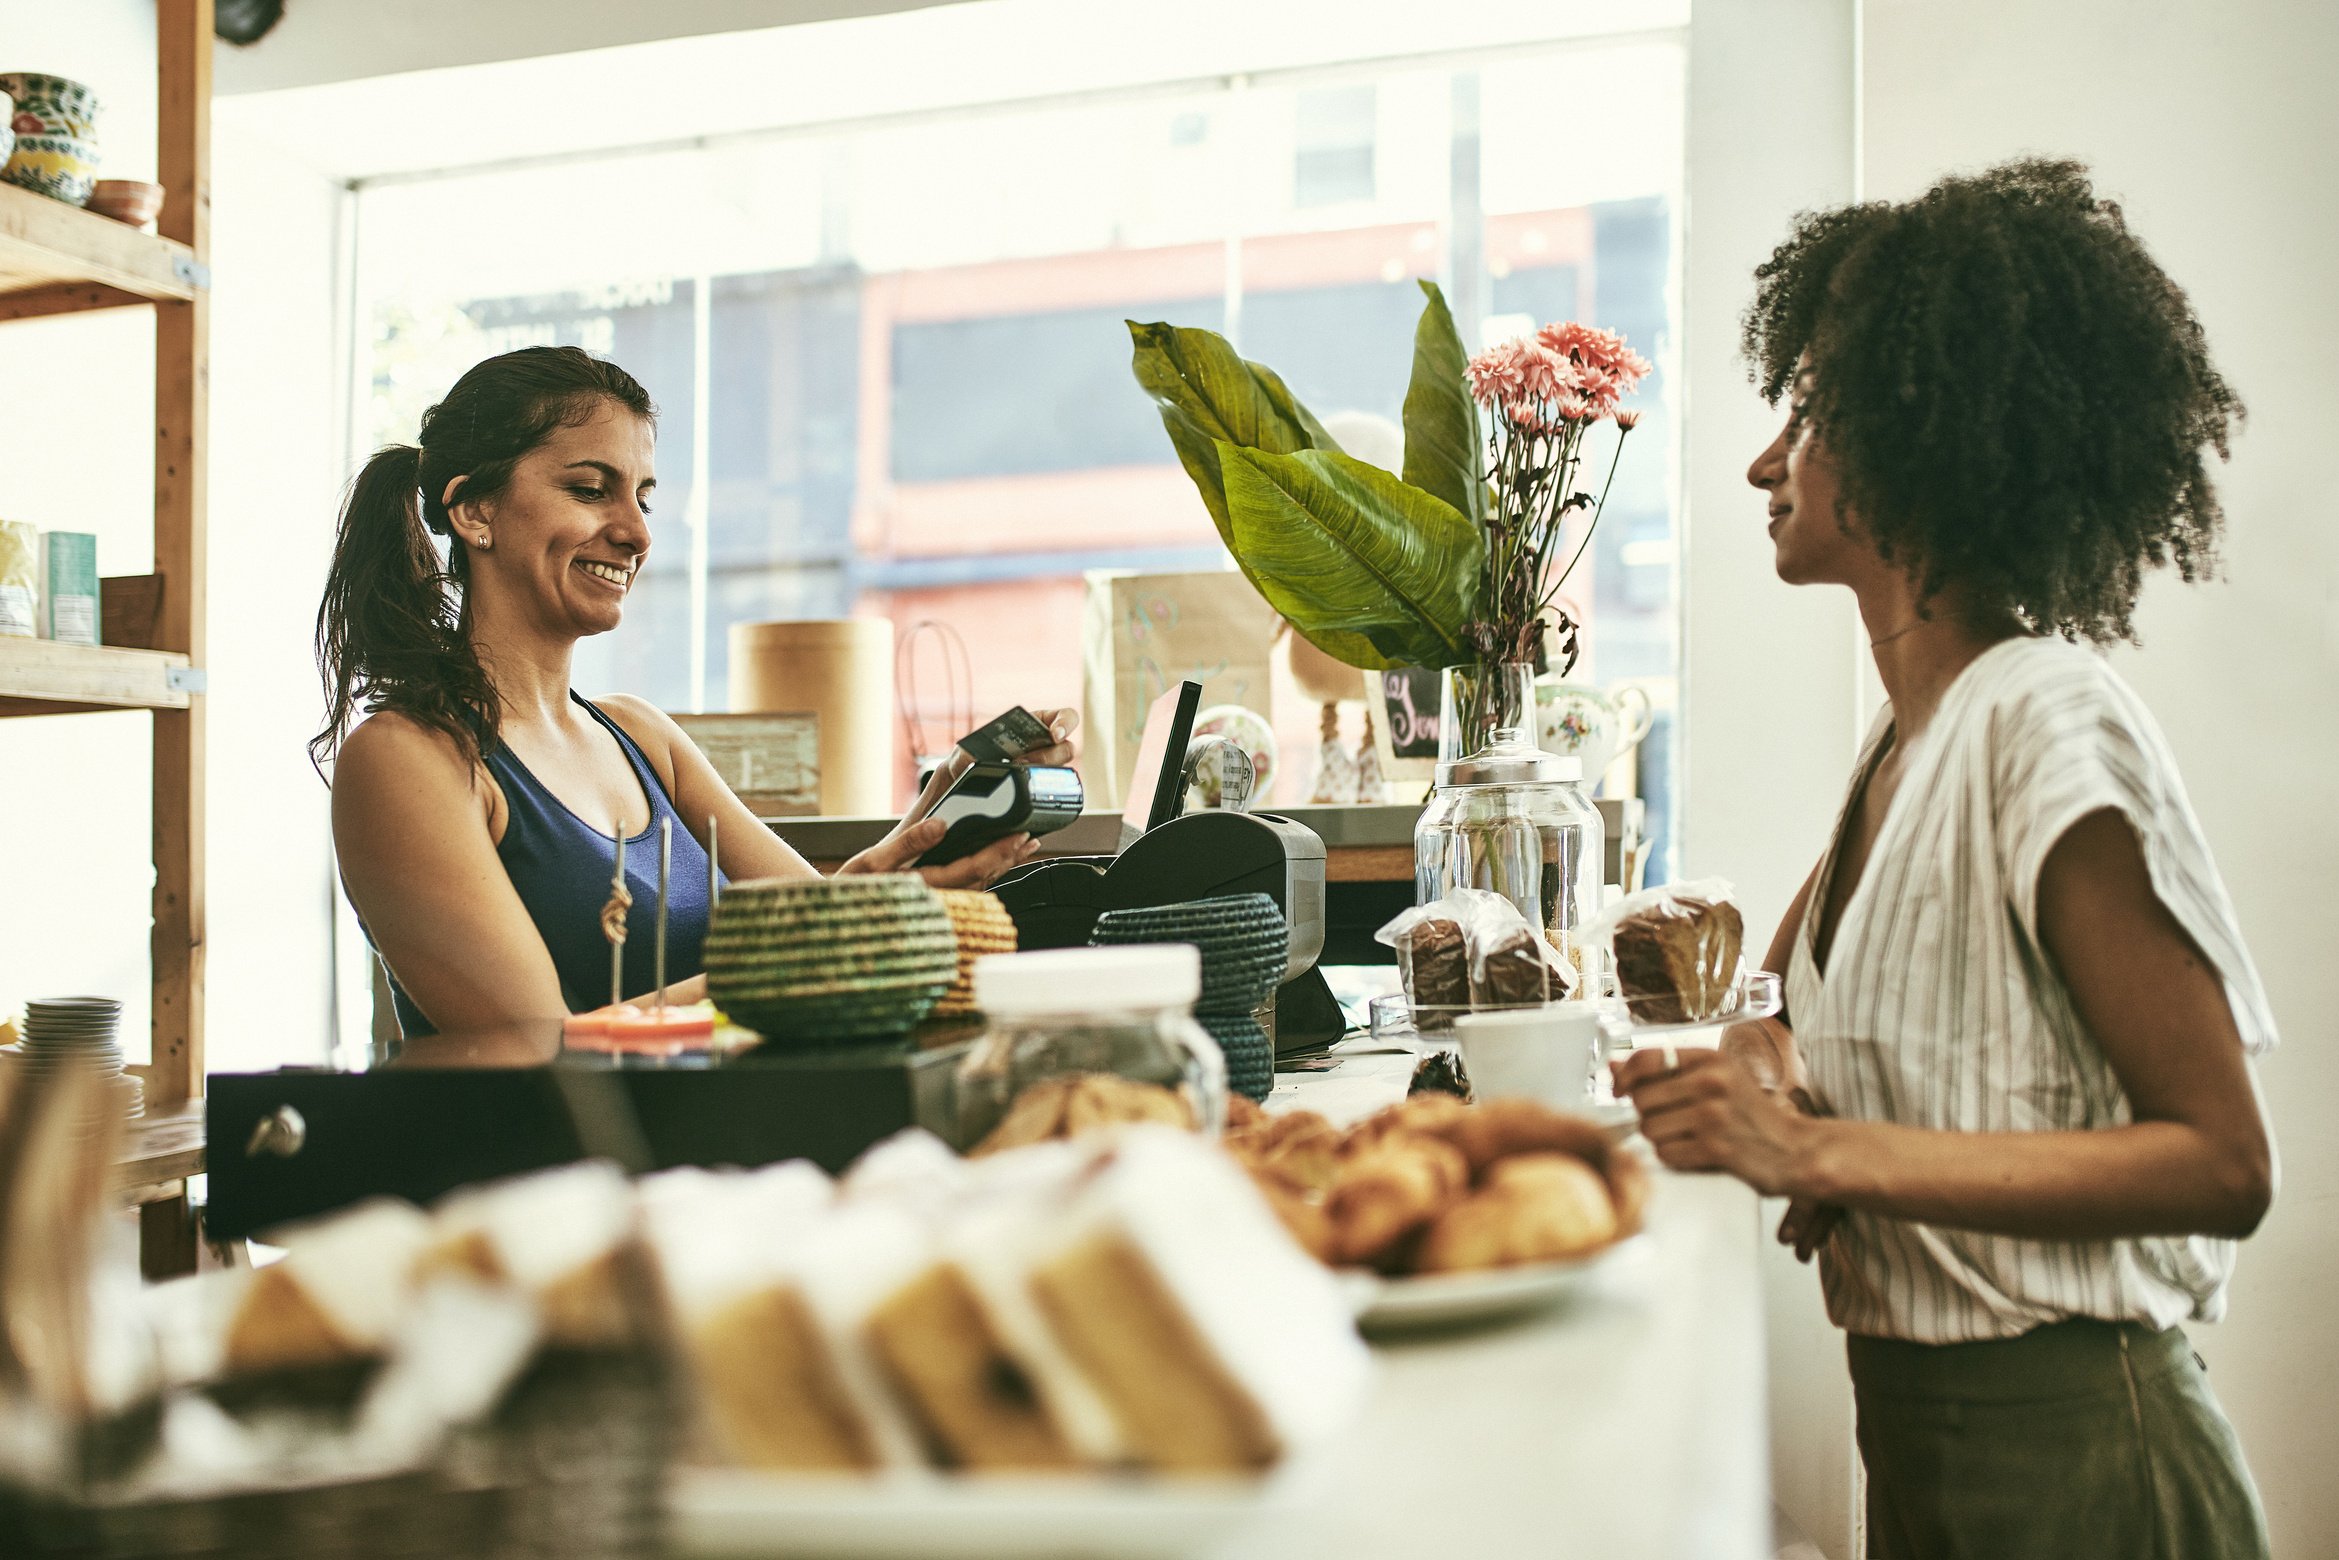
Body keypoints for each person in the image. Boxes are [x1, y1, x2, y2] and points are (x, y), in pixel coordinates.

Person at [1615, 160, 2276, 1558]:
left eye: (1802, 415)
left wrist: (1823, 1151)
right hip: (1921, 1448)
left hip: (2084, 1462)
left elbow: (2220, 1161)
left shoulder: (2040, 717)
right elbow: (1776, 1011)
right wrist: (1769, 1086)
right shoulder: (1901, 740)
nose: (1759, 461)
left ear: (1913, 430)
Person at [314, 346, 1076, 1037]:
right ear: (474, 510)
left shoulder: (641, 735)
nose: (636, 533)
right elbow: (539, 1046)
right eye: (589, 490)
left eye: (643, 497)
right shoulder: (406, 760)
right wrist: (784, 968)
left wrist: (936, 814)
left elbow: (821, 922)